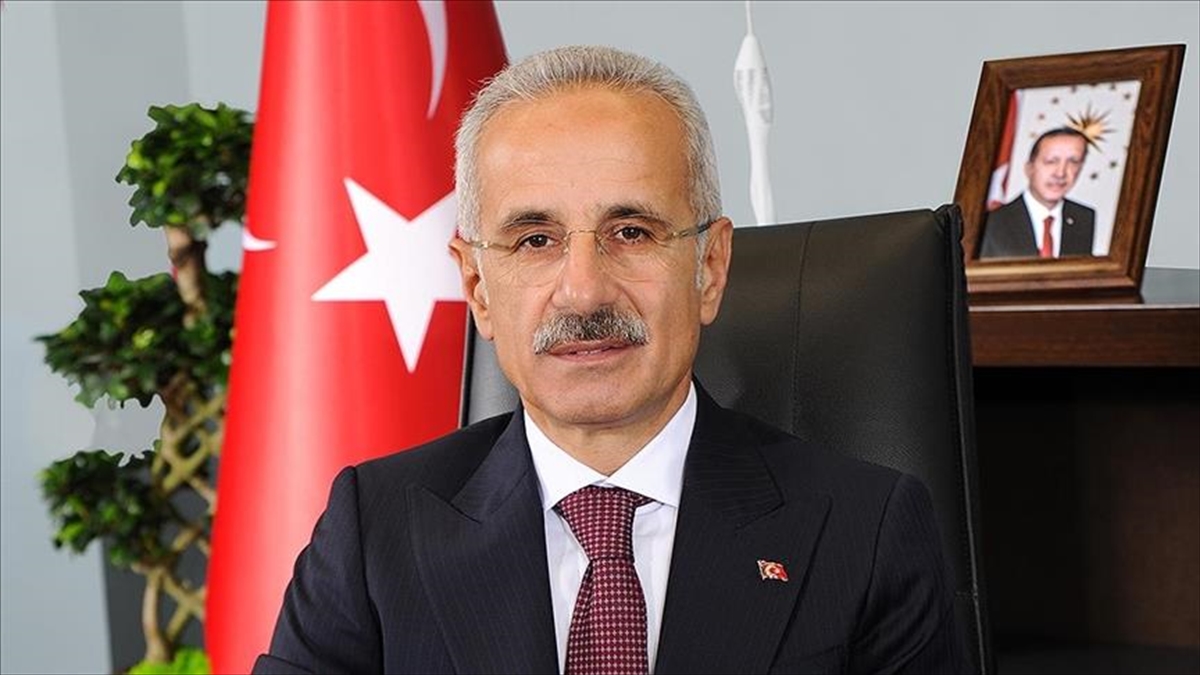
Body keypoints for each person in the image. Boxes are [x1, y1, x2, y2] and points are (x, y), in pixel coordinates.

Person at [254, 46, 969, 674]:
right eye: (535, 240)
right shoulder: (373, 531)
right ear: (477, 287)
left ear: (710, 267)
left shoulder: (866, 530)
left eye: (631, 231)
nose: (584, 290)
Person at [980, 127, 1096, 259]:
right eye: (1051, 161)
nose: (1060, 173)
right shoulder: (992, 223)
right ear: (1029, 168)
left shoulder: (1084, 219)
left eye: (1073, 162)